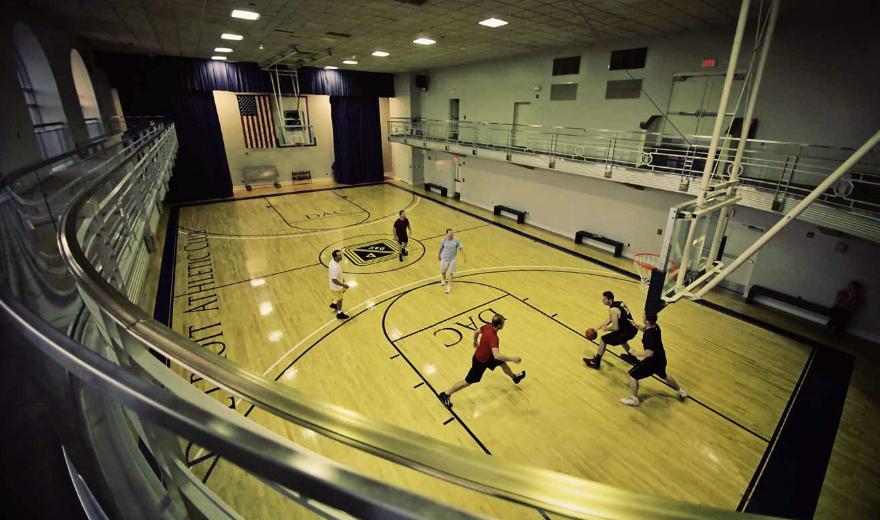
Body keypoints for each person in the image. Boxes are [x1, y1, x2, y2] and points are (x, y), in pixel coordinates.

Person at [438, 314, 525, 408]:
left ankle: (514, 377)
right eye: (503, 322)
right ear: (499, 325)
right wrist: (513, 359)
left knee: (503, 363)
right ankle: (445, 394)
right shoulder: (494, 338)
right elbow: (497, 355)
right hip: (480, 361)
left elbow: (476, 332)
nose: (504, 323)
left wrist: (475, 341)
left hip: (488, 356)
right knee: (467, 382)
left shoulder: (487, 326)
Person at [620, 313, 687, 407]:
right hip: (661, 358)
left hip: (651, 362)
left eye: (644, 316)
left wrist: (634, 353)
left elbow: (649, 353)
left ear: (647, 321)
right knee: (663, 374)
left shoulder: (649, 336)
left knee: (632, 376)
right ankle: (681, 391)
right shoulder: (655, 327)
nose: (642, 317)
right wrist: (635, 325)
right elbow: (645, 329)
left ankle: (634, 399)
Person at [584, 291, 640, 369]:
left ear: (609, 300)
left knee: (603, 339)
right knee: (622, 341)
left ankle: (596, 362)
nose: (602, 301)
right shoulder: (619, 303)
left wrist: (606, 329)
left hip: (626, 332)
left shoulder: (613, 309)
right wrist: (600, 326)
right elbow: (611, 318)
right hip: (632, 328)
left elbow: (615, 328)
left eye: (604, 299)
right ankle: (634, 359)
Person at [438, 228, 466, 294]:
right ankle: (444, 279)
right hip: (444, 258)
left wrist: (464, 257)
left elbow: (461, 249)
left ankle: (449, 286)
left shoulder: (456, 240)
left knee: (451, 273)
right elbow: (440, 248)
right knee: (443, 271)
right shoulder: (443, 240)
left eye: (452, 233)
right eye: (450, 233)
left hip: (452, 259)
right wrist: (438, 255)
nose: (451, 234)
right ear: (446, 234)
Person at [328, 249, 349, 319]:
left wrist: (342, 279)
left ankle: (334, 304)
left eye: (340, 254)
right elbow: (334, 280)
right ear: (335, 257)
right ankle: (339, 313)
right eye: (339, 255)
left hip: (335, 285)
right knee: (340, 299)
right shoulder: (335, 267)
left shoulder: (333, 261)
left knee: (342, 292)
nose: (341, 256)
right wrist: (343, 284)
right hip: (336, 287)